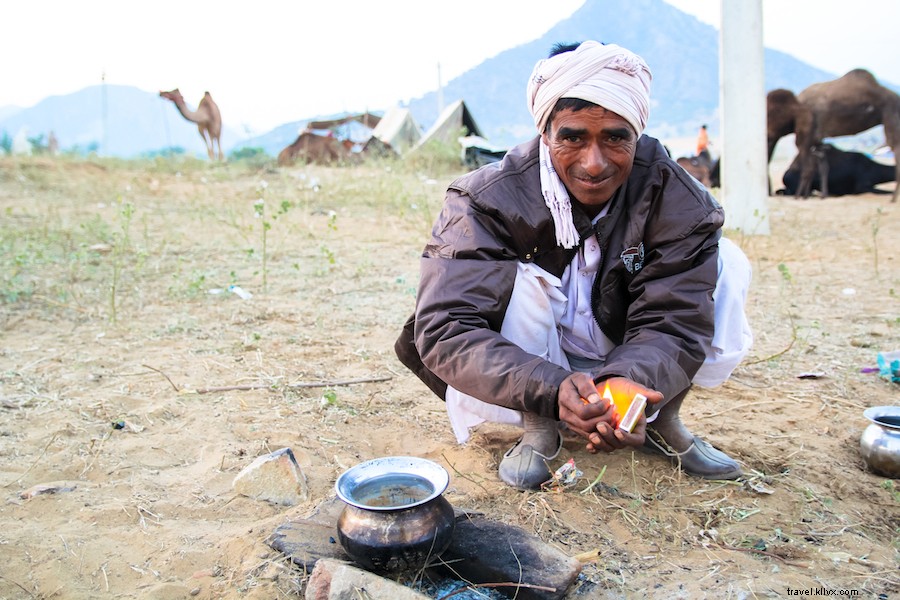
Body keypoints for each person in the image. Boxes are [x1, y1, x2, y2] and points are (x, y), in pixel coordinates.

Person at [394, 41, 752, 491]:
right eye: (573, 137)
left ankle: (661, 417)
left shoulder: (678, 198)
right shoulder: (484, 200)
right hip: (539, 361)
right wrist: (551, 389)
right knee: (524, 276)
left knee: (729, 263)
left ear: (637, 133)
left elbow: (674, 321)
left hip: (624, 345)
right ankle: (539, 426)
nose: (594, 162)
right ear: (545, 132)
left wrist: (626, 390)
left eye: (615, 138)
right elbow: (447, 327)